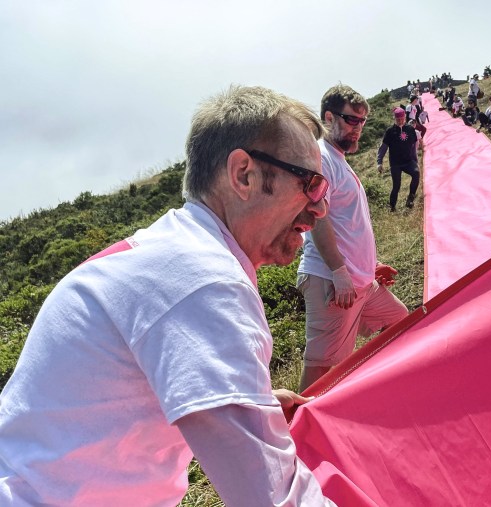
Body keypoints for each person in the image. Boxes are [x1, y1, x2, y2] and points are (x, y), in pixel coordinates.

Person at [0, 86, 336, 506]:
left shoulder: (173, 252)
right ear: (244, 175)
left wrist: (254, 402)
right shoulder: (203, 280)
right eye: (311, 183)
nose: (320, 208)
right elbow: (272, 496)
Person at [298, 86, 408, 391]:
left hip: (359, 282)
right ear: (328, 117)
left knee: (399, 320)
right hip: (332, 281)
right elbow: (318, 219)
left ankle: (366, 387)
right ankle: (298, 430)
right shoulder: (321, 158)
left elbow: (347, 225)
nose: (358, 128)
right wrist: (339, 271)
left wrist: (369, 266)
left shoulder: (337, 159)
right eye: (351, 120)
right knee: (321, 368)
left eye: (362, 121)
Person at [378, 107, 421, 212]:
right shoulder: (390, 131)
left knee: (416, 173)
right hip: (395, 163)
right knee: (396, 185)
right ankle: (392, 207)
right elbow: (383, 148)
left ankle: (410, 198)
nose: (400, 121)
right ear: (394, 119)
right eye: (398, 120)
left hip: (408, 161)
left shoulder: (410, 129)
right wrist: (379, 162)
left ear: (405, 117)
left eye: (402, 119)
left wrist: (415, 160)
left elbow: (413, 147)